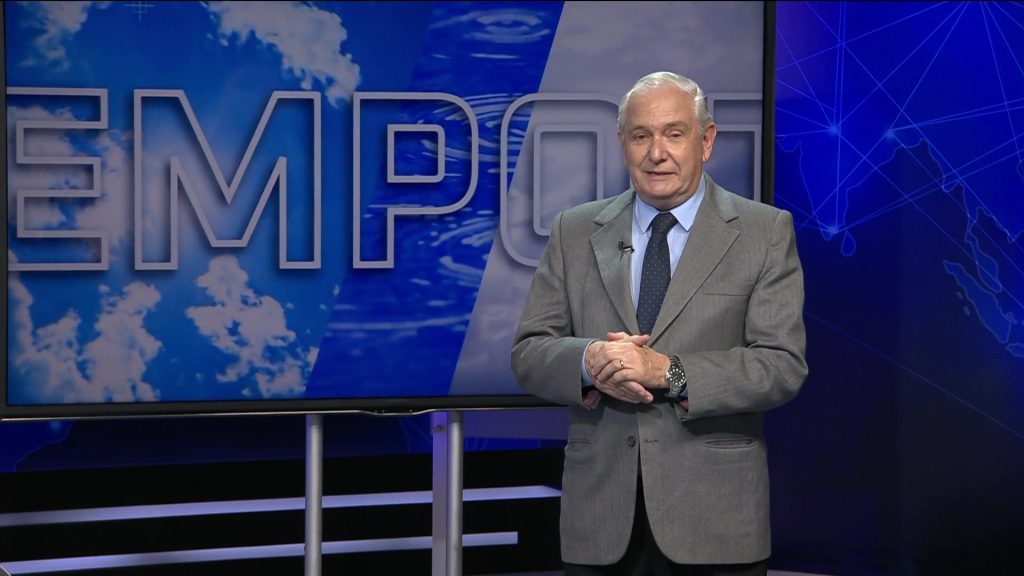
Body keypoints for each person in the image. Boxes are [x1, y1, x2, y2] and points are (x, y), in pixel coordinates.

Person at [510, 71, 808, 575]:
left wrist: (668, 372)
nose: (656, 153)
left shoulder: (764, 233)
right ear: (622, 143)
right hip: (600, 521)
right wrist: (589, 360)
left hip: (715, 522)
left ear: (706, 141)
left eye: (674, 133)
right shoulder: (574, 231)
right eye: (640, 136)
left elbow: (781, 366)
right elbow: (529, 351)